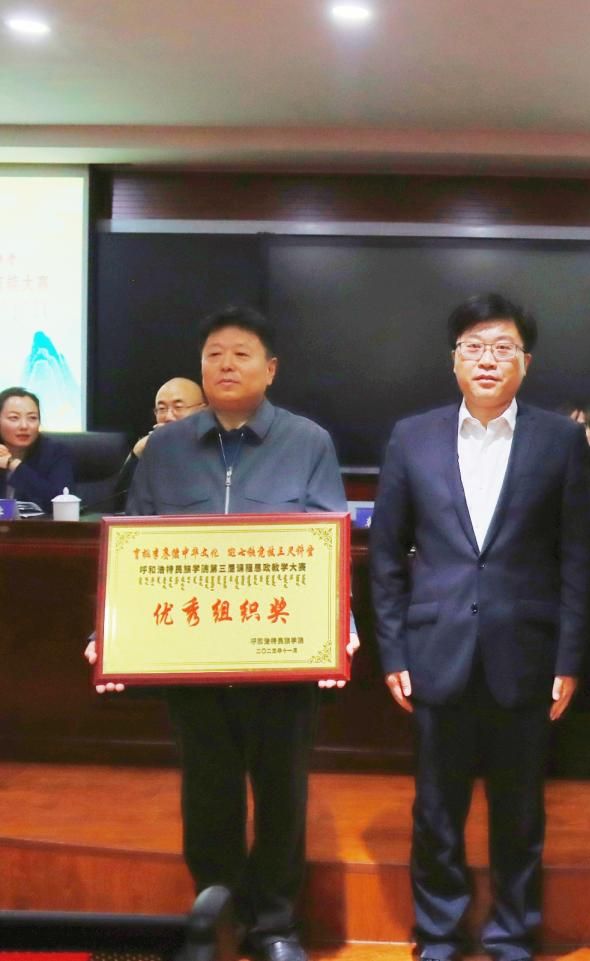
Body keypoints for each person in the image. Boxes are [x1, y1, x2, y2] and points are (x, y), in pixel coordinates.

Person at [84, 306, 358, 961]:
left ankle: (276, 925)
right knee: (207, 793)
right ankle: (215, 915)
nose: (226, 365)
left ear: (271, 368)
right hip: (194, 658)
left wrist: (337, 626)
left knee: (283, 792)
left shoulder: (309, 442)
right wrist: (110, 631)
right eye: (213, 354)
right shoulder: (166, 447)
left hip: (281, 659)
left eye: (241, 354)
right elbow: (137, 546)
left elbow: (329, 544)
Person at [370, 293, 590, 961]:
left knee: (519, 812)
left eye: (503, 348)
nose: (488, 359)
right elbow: (385, 556)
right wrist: (392, 650)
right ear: (454, 361)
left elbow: (578, 557)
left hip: (525, 653)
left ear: (526, 362)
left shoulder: (559, 440)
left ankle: (511, 933)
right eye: (473, 347)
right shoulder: (412, 437)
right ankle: (439, 932)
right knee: (435, 812)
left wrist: (569, 658)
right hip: (434, 648)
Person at [112, 377, 207, 511]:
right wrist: (137, 453)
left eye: (178, 407)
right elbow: (120, 505)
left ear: (203, 410)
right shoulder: (152, 451)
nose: (168, 417)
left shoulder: (216, 447)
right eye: (161, 409)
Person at [0, 386, 74, 513]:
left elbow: (62, 503)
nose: (24, 426)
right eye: (14, 418)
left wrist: (13, 464)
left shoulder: (55, 453)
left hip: (38, 525)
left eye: (32, 418)